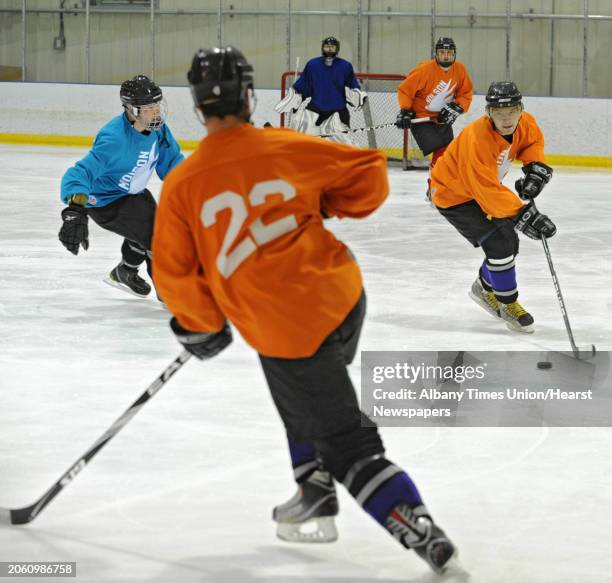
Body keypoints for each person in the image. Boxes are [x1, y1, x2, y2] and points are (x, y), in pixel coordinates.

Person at [153, 46, 456, 574]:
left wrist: (200, 327)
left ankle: (415, 525)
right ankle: (312, 492)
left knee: (341, 438)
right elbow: (369, 173)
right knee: (311, 398)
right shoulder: (286, 145)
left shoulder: (182, 184)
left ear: (198, 107)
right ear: (250, 97)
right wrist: (323, 202)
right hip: (342, 298)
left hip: (285, 329)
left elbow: (175, 277)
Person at [430, 81, 556, 333]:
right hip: (453, 195)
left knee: (509, 242)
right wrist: (524, 215)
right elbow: (484, 189)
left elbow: (532, 144)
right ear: (488, 112)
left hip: (477, 190)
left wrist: (534, 171)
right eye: (499, 112)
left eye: (512, 111)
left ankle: (484, 287)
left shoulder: (526, 121)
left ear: (521, 108)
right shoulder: (477, 138)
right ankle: (507, 302)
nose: (506, 118)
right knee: (499, 241)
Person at [58, 75, 184, 297]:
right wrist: (75, 210)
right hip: (106, 202)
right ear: (132, 110)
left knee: (149, 228)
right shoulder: (114, 139)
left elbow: (171, 161)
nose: (156, 112)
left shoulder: (158, 129)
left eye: (157, 105)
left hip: (133, 194)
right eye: (148, 108)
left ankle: (124, 272)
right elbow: (81, 172)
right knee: (158, 236)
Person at [395, 37, 473, 197]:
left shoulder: (460, 70)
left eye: (449, 53)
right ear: (436, 53)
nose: (446, 56)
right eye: (442, 52)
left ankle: (439, 187)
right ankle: (434, 188)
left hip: (442, 119)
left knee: (449, 155)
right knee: (442, 152)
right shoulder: (424, 70)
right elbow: (405, 90)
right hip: (421, 119)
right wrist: (405, 111)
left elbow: (465, 93)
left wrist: (457, 107)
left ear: (454, 54)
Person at [274, 36, 367, 144]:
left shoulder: (345, 66)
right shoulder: (313, 65)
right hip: (316, 109)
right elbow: (304, 85)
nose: (329, 49)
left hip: (338, 111)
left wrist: (358, 97)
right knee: (303, 136)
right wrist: (295, 98)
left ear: (337, 49)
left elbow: (353, 86)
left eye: (332, 47)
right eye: (327, 46)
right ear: (322, 48)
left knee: (342, 144)